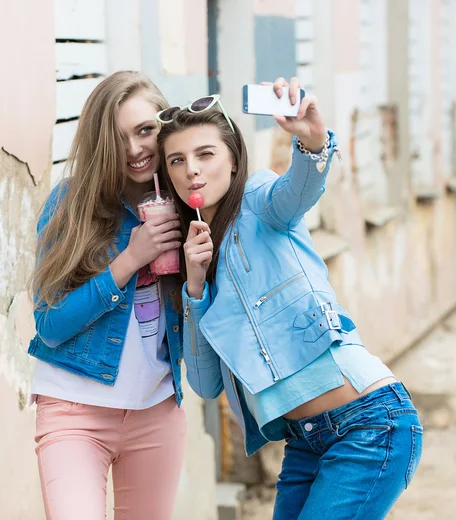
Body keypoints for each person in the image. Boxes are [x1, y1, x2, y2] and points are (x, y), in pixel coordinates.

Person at [158, 77, 423, 520]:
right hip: (304, 442)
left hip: (368, 423)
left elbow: (297, 191)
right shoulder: (193, 257)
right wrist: (196, 285)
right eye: (177, 161)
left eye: (206, 154)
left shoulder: (262, 201)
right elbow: (205, 385)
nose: (192, 171)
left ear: (233, 157)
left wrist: (313, 143)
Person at [28, 71, 186, 520]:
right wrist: (129, 259)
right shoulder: (70, 205)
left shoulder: (186, 203)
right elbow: (50, 326)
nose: (136, 149)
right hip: (74, 412)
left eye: (145, 131)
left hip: (156, 410)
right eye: (119, 138)